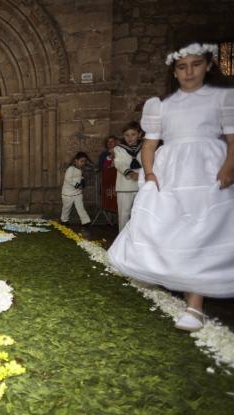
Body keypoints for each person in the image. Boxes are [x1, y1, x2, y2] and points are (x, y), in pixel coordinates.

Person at [108, 41, 234, 332]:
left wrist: (228, 164)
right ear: (174, 72)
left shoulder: (221, 100)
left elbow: (231, 137)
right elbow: (150, 145)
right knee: (172, 228)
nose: (189, 72)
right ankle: (170, 273)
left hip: (206, 169)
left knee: (203, 231)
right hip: (172, 170)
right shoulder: (161, 106)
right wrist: (150, 173)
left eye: (196, 64)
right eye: (182, 66)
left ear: (208, 65)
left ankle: (194, 305)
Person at [114, 122, 143, 231]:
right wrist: (129, 173)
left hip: (140, 185)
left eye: (133, 134)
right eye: (127, 135)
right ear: (123, 136)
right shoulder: (119, 148)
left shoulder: (145, 147)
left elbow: (148, 162)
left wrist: (141, 174)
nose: (130, 138)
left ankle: (137, 238)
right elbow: (119, 163)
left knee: (139, 213)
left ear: (139, 134)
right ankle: (122, 239)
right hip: (124, 186)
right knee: (124, 214)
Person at [60, 151, 91, 226]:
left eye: (84, 161)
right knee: (66, 208)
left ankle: (86, 221)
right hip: (68, 194)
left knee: (80, 207)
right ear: (76, 161)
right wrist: (77, 185)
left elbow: (80, 178)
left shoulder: (80, 170)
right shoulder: (71, 169)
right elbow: (68, 179)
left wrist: (82, 181)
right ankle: (64, 220)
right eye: (81, 161)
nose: (83, 163)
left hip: (77, 193)